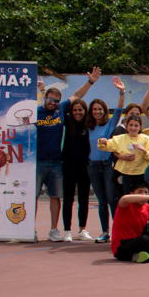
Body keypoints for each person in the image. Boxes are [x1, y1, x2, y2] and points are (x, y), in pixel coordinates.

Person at [38, 67, 99, 241]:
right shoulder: (42, 113)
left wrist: (91, 81)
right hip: (53, 164)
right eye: (50, 99)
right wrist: (42, 90)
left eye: (56, 100)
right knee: (62, 199)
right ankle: (62, 231)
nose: (53, 102)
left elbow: (77, 95)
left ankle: (76, 230)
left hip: (70, 164)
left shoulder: (65, 112)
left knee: (73, 199)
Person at [84, 96, 125, 242]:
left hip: (107, 166)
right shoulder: (89, 126)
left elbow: (120, 109)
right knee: (102, 201)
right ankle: (105, 232)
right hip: (93, 167)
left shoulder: (110, 123)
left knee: (112, 199)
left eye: (100, 109)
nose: (97, 112)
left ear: (104, 111)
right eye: (94, 109)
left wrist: (121, 92)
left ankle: (117, 232)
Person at [102, 112, 149, 202]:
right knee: (128, 198)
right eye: (130, 125)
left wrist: (143, 149)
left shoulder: (145, 139)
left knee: (142, 200)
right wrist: (103, 141)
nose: (133, 128)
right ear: (127, 126)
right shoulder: (120, 138)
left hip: (141, 174)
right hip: (127, 174)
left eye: (136, 125)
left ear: (140, 126)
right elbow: (107, 146)